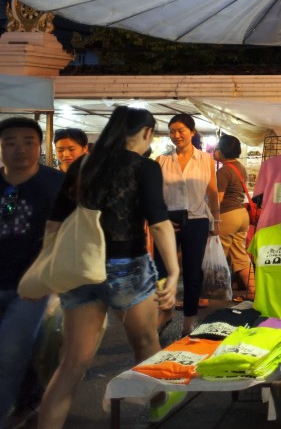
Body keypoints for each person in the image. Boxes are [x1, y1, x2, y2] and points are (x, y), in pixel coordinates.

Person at [36, 107, 181, 428]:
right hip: (127, 265)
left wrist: (49, 270)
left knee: (73, 362)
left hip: (81, 267)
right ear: (145, 133)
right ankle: (160, 409)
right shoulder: (144, 167)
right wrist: (172, 272)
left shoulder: (83, 166)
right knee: (145, 343)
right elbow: (158, 223)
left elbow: (53, 224)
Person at [0, 117, 64, 428]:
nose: (19, 149)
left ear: (39, 146)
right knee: (19, 351)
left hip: (35, 286)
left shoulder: (56, 184)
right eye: (10, 142)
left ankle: (20, 406)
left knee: (11, 350)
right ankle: (29, 400)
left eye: (28, 141)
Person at [155, 114, 218, 336]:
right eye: (172, 131)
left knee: (192, 274)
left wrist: (215, 221)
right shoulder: (161, 160)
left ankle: (188, 323)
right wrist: (161, 218)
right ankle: (165, 313)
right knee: (163, 272)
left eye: (181, 130)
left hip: (197, 221)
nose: (176, 135)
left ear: (192, 132)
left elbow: (212, 192)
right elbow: (153, 196)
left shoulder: (205, 160)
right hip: (167, 222)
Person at [213, 135, 254, 300]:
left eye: (217, 148)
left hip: (227, 215)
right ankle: (254, 290)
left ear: (223, 151)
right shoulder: (240, 167)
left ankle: (208, 293)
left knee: (215, 255)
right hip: (242, 215)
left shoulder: (223, 172)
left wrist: (212, 219)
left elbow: (218, 200)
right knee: (240, 254)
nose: (214, 151)